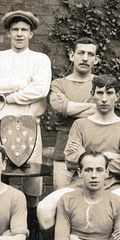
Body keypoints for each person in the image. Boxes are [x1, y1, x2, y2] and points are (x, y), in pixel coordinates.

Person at [37, 75, 120, 240]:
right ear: (92, 95)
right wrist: (109, 156)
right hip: (79, 185)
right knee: (44, 208)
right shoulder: (80, 124)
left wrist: (86, 155)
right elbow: (70, 159)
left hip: (113, 187)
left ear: (117, 96)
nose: (104, 99)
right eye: (99, 93)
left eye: (109, 93)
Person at [0, 10, 52, 206]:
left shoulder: (40, 60)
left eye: (24, 30)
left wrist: (8, 97)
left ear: (31, 34)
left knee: (33, 180)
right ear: (9, 34)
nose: (20, 34)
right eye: (15, 30)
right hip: (0, 124)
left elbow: (40, 90)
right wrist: (21, 82)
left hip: (30, 125)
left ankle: (31, 227)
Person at [48, 37, 97, 190]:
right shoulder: (59, 84)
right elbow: (60, 107)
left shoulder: (100, 84)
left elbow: (103, 109)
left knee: (92, 197)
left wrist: (69, 106)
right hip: (63, 151)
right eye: (81, 53)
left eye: (90, 54)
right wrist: (90, 107)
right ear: (71, 55)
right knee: (61, 197)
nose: (85, 58)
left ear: (96, 59)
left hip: (93, 152)